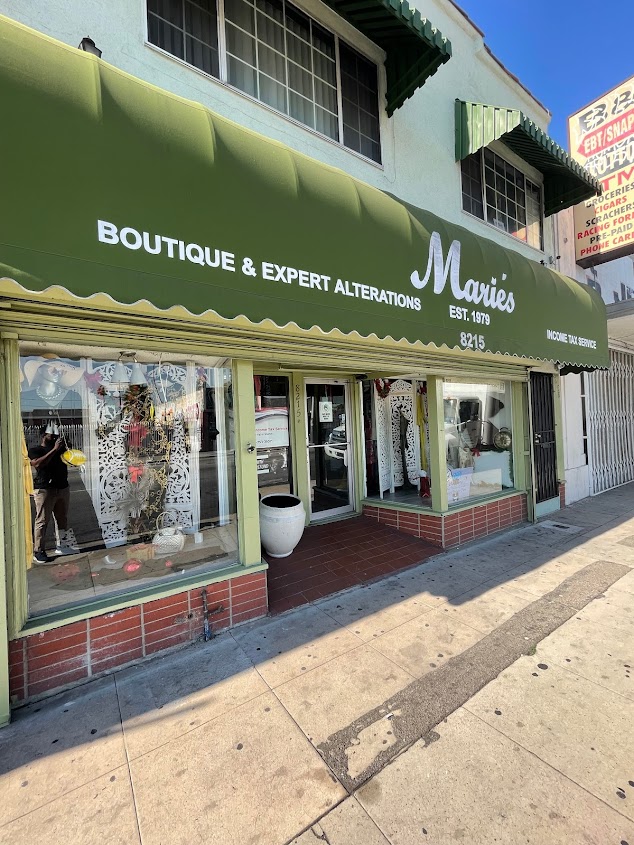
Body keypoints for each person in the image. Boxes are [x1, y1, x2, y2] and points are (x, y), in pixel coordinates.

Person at [28, 427, 77, 563]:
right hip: (45, 489)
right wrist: (54, 449)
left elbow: (72, 459)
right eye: (52, 434)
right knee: (42, 520)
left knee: (62, 519)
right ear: (44, 435)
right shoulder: (36, 450)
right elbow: (37, 464)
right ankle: (38, 550)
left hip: (62, 487)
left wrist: (68, 446)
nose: (55, 436)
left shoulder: (60, 450)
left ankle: (62, 545)